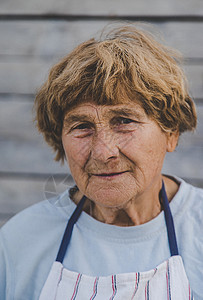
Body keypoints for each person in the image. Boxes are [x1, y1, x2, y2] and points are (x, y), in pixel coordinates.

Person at [0, 24, 202, 300]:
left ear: (171, 133)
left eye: (124, 121)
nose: (103, 152)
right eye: (82, 126)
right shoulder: (18, 242)